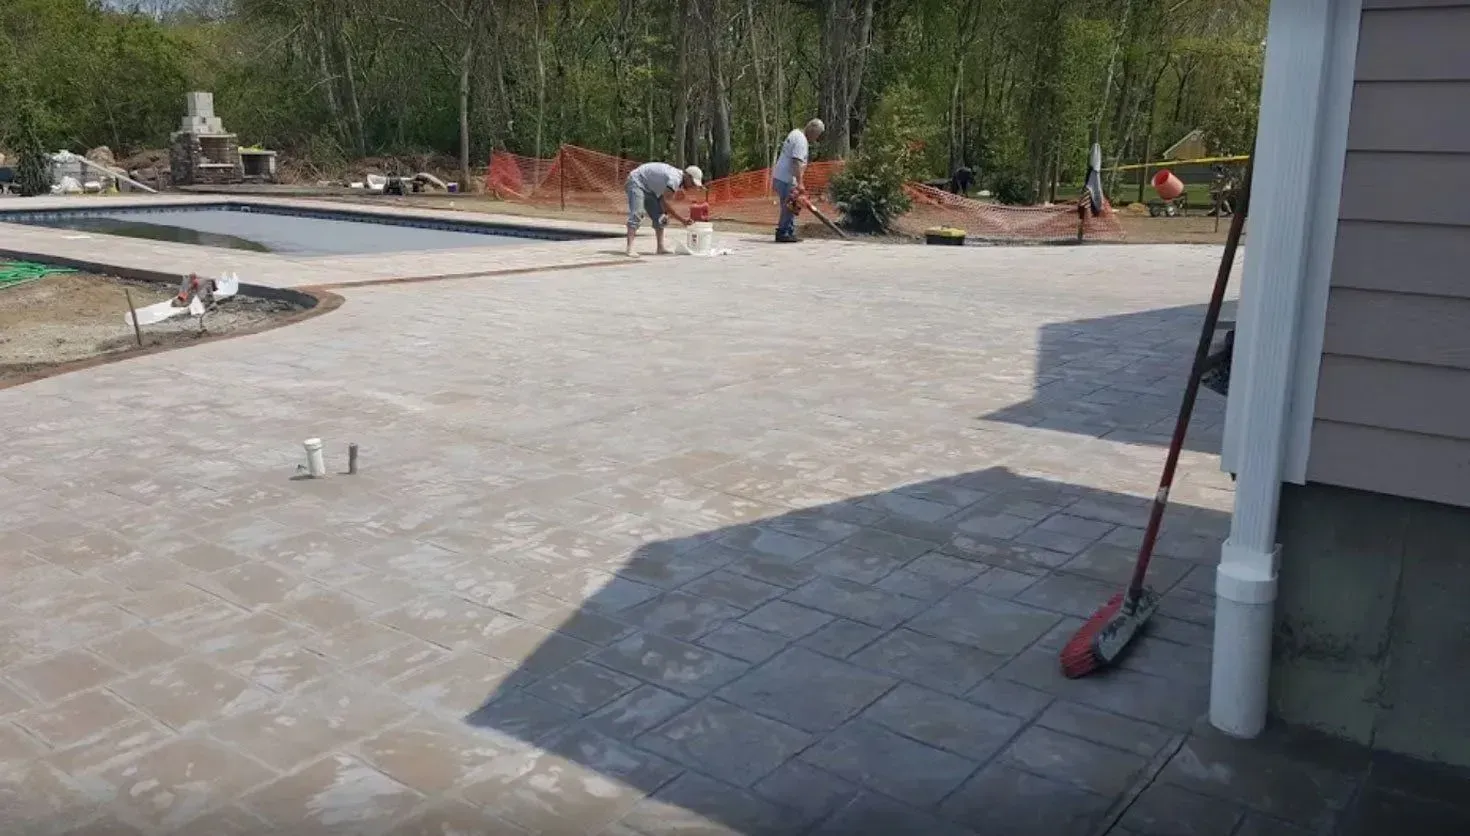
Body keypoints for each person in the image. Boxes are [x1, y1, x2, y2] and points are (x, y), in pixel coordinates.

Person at [624, 162, 702, 257]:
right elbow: (665, 202)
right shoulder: (675, 179)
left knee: (661, 216)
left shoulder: (678, 180)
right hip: (636, 181)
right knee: (638, 213)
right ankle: (630, 248)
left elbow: (662, 201)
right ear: (687, 176)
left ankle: (660, 247)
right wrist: (682, 220)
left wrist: (665, 213)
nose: (692, 186)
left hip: (649, 188)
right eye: (692, 183)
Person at [771, 118, 824, 243]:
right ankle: (783, 232)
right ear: (812, 130)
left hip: (780, 176)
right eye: (817, 135)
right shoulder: (801, 140)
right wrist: (800, 183)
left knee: (792, 205)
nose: (816, 138)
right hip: (787, 179)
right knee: (790, 205)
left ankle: (788, 231)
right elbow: (796, 163)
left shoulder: (795, 133)